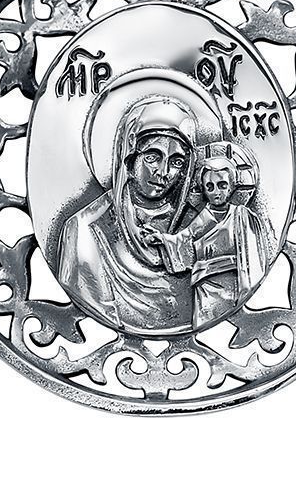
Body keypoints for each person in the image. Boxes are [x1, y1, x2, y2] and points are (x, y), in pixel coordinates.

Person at [55, 97, 197, 333]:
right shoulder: (87, 228)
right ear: (128, 158)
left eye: (177, 162)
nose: (163, 173)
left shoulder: (197, 225)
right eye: (152, 157)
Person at [143, 152, 275, 327]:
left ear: (232, 186)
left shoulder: (242, 216)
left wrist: (250, 292)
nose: (216, 193)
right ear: (203, 190)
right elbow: (184, 239)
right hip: (205, 290)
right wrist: (162, 239)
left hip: (232, 286)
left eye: (222, 185)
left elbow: (254, 258)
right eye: (210, 187)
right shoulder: (203, 218)